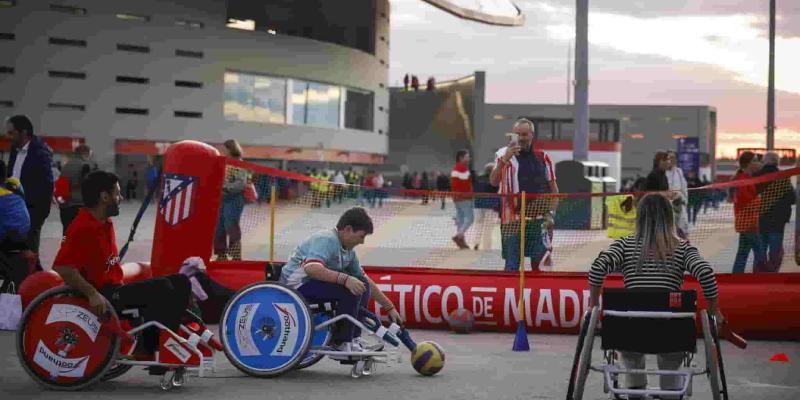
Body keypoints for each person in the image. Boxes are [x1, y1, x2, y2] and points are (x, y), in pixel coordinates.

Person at [52, 170, 192, 372]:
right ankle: (153, 348)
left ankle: (156, 343)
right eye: (118, 194)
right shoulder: (82, 227)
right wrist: (92, 294)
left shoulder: (104, 223)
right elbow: (62, 267)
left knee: (181, 281)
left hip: (116, 288)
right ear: (104, 196)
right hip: (105, 296)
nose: (121, 198)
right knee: (162, 287)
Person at [588, 193, 723, 399]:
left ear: (639, 217)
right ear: (670, 218)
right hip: (672, 332)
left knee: (631, 352)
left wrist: (593, 305)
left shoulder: (624, 245)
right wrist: (715, 311)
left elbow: (597, 268)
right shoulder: (681, 248)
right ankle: (670, 391)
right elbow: (705, 273)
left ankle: (635, 389)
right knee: (671, 354)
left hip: (628, 331)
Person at [279, 207, 402, 355]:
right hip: (294, 287)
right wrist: (345, 279)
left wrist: (389, 306)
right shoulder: (327, 239)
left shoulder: (349, 252)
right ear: (348, 229)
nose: (362, 242)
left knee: (361, 284)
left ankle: (353, 338)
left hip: (312, 285)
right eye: (361, 236)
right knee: (349, 288)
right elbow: (311, 268)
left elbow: (366, 281)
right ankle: (341, 341)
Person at [490, 118, 559, 271]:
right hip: (512, 222)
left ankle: (537, 294)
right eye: (517, 134)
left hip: (539, 222)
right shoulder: (503, 155)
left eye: (524, 134)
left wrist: (551, 214)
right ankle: (511, 294)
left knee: (541, 267)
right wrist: (504, 160)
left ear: (532, 135)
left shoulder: (543, 157)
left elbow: (554, 191)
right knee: (512, 266)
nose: (521, 138)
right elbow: (493, 182)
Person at [6, 115, 54, 270]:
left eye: (11, 132)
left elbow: (47, 186)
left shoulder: (41, 153)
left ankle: (36, 284)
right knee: (18, 251)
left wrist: (39, 214)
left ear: (24, 132)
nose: (9, 136)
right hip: (14, 208)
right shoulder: (14, 150)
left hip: (31, 211)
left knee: (30, 251)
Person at [755, 151, 795, 272]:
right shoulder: (783, 177)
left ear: (765, 161)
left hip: (760, 218)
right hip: (778, 220)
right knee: (775, 248)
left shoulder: (757, 176)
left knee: (760, 247)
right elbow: (792, 199)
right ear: (777, 162)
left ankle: (759, 272)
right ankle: (772, 274)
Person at [731, 151, 766, 273]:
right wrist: (760, 199)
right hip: (747, 222)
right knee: (760, 252)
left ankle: (736, 276)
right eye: (755, 161)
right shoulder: (743, 180)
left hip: (748, 222)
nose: (758, 163)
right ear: (748, 164)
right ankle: (761, 276)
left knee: (743, 252)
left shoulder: (748, 178)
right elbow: (746, 200)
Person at [214, 139, 248, 261]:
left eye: (225, 149)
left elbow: (241, 184)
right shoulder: (224, 162)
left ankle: (235, 255)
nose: (222, 151)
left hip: (234, 199)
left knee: (231, 225)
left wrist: (223, 187)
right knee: (219, 227)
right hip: (222, 199)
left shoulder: (239, 164)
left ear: (231, 149)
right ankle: (221, 254)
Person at [58, 144, 96, 235]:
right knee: (79, 235)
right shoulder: (84, 166)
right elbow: (87, 187)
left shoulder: (66, 165)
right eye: (89, 155)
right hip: (77, 206)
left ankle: (65, 246)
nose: (89, 157)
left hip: (64, 205)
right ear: (85, 153)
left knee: (66, 233)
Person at [472, 163, 500, 251]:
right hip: (490, 205)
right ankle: (487, 246)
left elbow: (474, 190)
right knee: (488, 227)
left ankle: (476, 243)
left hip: (478, 205)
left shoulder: (478, 178)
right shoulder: (494, 179)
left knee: (478, 225)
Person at [450, 150, 474, 249]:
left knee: (460, 219)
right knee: (470, 218)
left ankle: (461, 241)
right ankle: (459, 236)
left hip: (457, 198)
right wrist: (470, 195)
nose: (469, 159)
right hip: (464, 198)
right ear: (461, 158)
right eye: (467, 157)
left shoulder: (456, 168)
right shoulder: (462, 169)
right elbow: (466, 186)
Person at [665, 151, 689, 237]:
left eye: (674, 158)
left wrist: (684, 200)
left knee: (682, 227)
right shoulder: (662, 172)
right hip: (666, 205)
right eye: (670, 157)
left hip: (679, 204)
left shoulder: (679, 171)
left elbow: (683, 187)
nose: (672, 160)